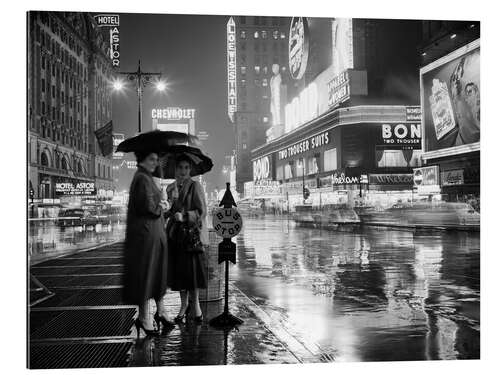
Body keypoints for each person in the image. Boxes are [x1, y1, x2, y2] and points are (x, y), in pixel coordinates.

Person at [123, 151, 174, 336]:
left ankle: (158, 312)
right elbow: (148, 207)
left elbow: (156, 209)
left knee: (154, 273)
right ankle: (144, 317)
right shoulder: (142, 179)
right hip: (146, 237)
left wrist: (165, 204)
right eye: (151, 159)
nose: (155, 162)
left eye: (156, 158)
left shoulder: (146, 178)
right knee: (146, 275)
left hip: (152, 235)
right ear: (142, 160)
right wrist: (162, 201)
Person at [166, 154, 208, 323]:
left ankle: (196, 306)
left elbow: (201, 211)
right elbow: (168, 211)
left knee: (192, 274)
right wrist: (166, 208)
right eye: (180, 167)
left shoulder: (195, 186)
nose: (183, 171)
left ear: (190, 170)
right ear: (175, 169)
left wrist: (184, 216)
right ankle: (183, 306)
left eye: (186, 168)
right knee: (178, 275)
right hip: (175, 237)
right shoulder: (170, 188)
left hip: (190, 238)